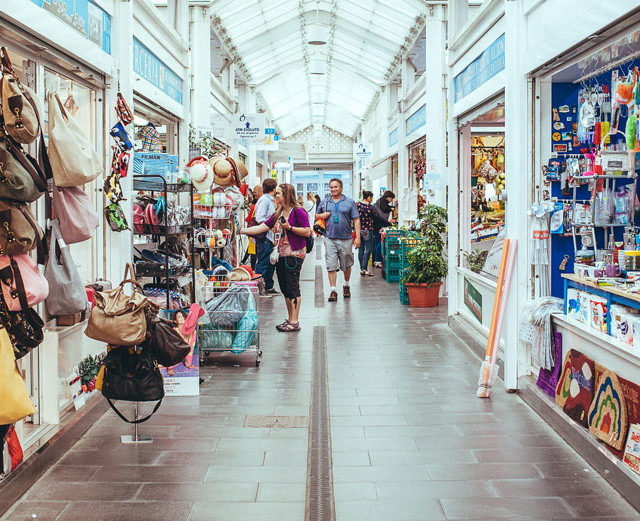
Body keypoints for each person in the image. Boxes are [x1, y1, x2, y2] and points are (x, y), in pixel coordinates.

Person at [240, 184, 311, 332]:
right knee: (285, 287)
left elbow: (307, 231)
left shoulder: (298, 212)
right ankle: (290, 319)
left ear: (286, 195)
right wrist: (241, 230)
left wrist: (290, 228)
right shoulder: (278, 213)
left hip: (294, 254)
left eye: (278, 194)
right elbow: (262, 228)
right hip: (280, 254)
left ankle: (294, 321)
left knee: (292, 286)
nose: (275, 196)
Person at [316, 178, 361, 301]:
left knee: (346, 264)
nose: (333, 189)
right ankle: (333, 290)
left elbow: (356, 219)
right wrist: (322, 215)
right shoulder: (325, 201)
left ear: (341, 188)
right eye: (331, 187)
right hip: (329, 237)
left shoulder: (350, 202)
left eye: (335, 187)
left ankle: (346, 285)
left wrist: (358, 237)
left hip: (346, 238)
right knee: (331, 264)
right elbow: (316, 215)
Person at [254, 178, 279, 295]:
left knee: (270, 263)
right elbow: (260, 218)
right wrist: (270, 226)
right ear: (274, 188)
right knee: (263, 262)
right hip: (265, 237)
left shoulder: (270, 200)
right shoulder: (265, 200)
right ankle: (258, 288)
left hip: (270, 237)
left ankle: (269, 286)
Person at [372, 190, 396, 268]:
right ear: (388, 197)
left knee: (376, 243)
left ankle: (375, 260)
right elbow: (384, 209)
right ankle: (377, 260)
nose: (391, 201)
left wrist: (391, 207)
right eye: (391, 199)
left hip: (376, 225)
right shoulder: (382, 202)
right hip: (378, 225)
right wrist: (391, 209)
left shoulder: (380, 201)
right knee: (378, 243)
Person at [356, 190, 375, 276]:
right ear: (368, 197)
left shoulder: (358, 205)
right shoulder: (370, 207)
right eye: (371, 198)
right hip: (367, 230)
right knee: (368, 249)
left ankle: (361, 268)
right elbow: (375, 217)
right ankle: (364, 268)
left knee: (361, 248)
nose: (371, 199)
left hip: (359, 229)